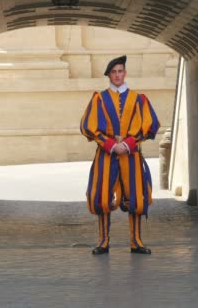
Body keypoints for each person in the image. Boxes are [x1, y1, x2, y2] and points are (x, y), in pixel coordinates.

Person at [80, 55, 160, 255]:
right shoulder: (99, 98)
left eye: (120, 71)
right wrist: (110, 145)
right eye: (114, 72)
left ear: (125, 73)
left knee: (135, 197)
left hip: (131, 155)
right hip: (106, 156)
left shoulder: (138, 99)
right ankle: (104, 241)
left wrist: (127, 144)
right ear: (109, 75)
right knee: (103, 197)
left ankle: (136, 241)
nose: (117, 75)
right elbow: (88, 126)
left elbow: (149, 125)